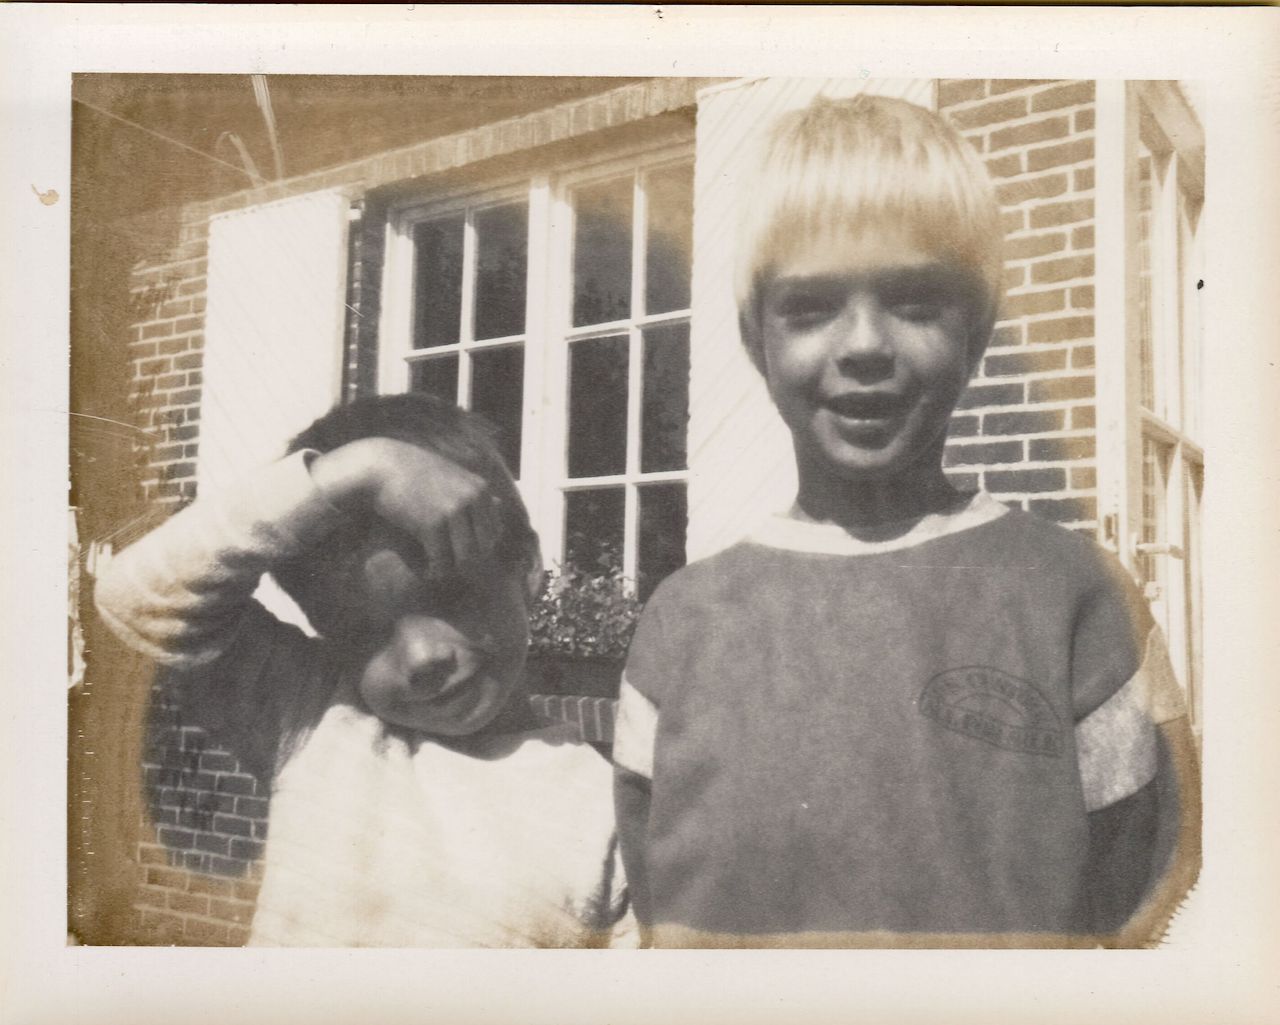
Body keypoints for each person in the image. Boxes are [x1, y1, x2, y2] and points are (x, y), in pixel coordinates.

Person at [612, 94, 1200, 948]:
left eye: (916, 302)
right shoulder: (682, 624)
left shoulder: (1073, 595)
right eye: (811, 307)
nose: (864, 345)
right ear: (755, 339)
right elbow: (656, 902)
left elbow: (1152, 892)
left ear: (978, 331)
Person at [96, 393, 633, 947]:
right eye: (363, 632)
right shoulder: (317, 716)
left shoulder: (609, 811)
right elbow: (134, 596)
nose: (421, 657)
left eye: (448, 597)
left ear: (525, 568)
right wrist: (362, 470)